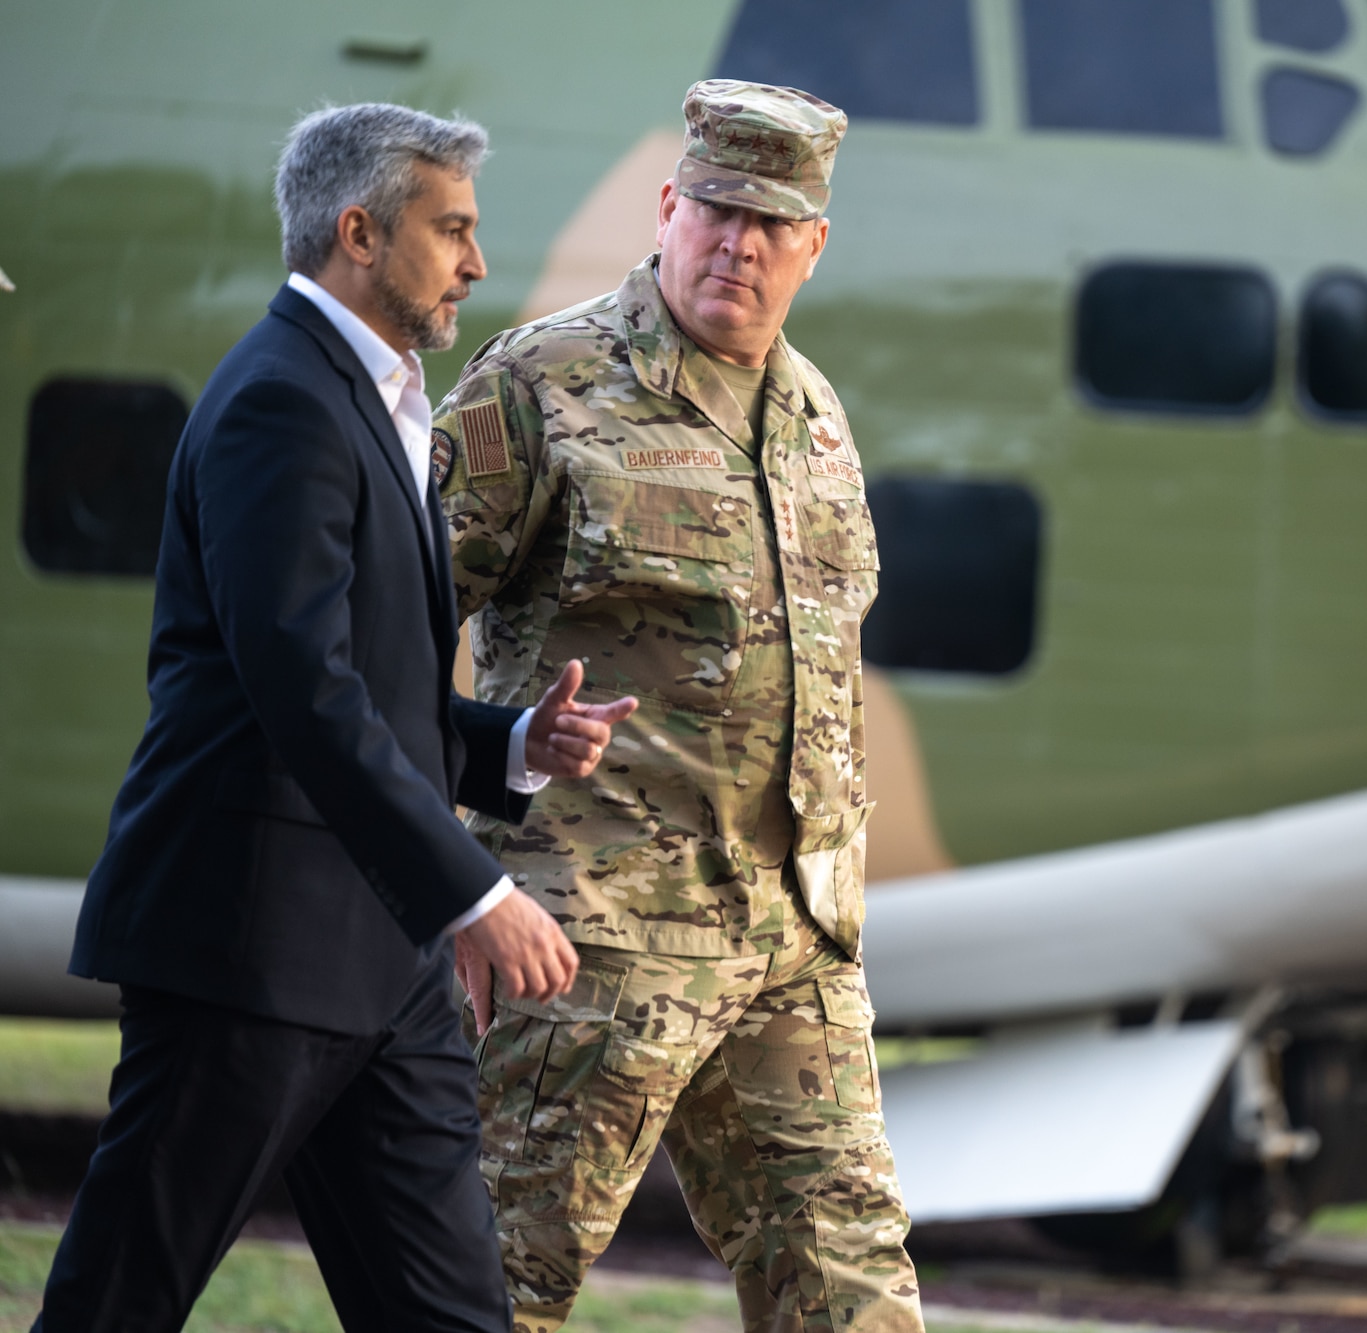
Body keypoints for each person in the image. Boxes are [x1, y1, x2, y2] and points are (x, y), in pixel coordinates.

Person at [35, 104, 637, 1332]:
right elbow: (298, 685)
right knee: (116, 1305)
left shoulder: (374, 399)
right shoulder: (282, 401)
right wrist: (475, 890)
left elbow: (365, 684)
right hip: (244, 947)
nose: (475, 260)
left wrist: (508, 746)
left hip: (383, 970)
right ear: (360, 233)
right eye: (451, 229)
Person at [435, 80, 921, 1333]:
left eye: (769, 223)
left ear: (813, 246)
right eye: (712, 209)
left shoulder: (814, 419)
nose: (735, 244)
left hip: (792, 944)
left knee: (850, 1288)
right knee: (491, 1293)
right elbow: (374, 627)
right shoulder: (538, 385)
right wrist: (450, 882)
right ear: (665, 208)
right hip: (584, 947)